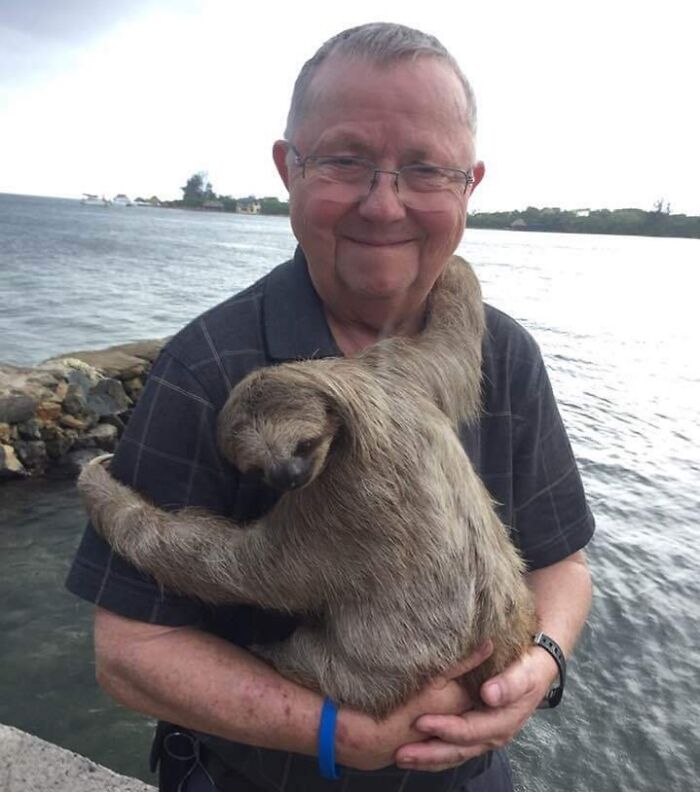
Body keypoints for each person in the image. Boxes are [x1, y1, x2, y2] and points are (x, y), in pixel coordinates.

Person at [66, 22, 594, 792]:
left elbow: (564, 565)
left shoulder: (495, 353)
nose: (385, 207)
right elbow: (128, 654)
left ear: (468, 186)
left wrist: (538, 666)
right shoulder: (203, 363)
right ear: (288, 169)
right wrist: (332, 731)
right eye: (346, 161)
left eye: (426, 171)